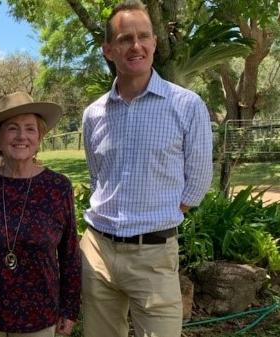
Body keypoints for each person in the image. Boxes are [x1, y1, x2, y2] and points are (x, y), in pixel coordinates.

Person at [80, 1, 213, 337]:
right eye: (125, 38)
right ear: (108, 50)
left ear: (154, 42)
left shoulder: (186, 105)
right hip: (98, 252)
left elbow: (197, 182)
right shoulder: (93, 114)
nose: (135, 45)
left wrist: (158, 216)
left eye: (143, 36)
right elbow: (98, 177)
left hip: (153, 256)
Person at [0, 92, 82, 337]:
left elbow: (70, 253)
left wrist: (70, 307)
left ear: (39, 137)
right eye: (12, 128)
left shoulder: (57, 187)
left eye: (30, 129)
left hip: (39, 314)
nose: (22, 136)